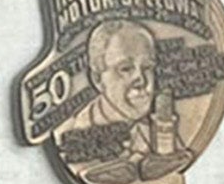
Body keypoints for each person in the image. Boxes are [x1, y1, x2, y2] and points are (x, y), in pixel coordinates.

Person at [58, 18, 171, 163]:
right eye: (125, 69)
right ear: (97, 79)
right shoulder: (76, 133)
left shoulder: (159, 131)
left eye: (148, 67)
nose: (142, 80)